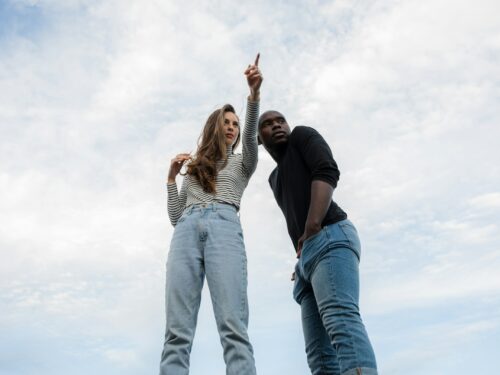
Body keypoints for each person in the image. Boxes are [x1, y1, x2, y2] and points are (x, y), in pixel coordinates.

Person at [159, 55, 263, 375]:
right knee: (177, 330)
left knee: (232, 325)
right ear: (215, 127)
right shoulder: (194, 169)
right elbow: (177, 216)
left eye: (235, 123)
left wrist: (253, 96)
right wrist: (170, 179)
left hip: (224, 228)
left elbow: (249, 136)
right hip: (186, 230)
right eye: (226, 123)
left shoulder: (243, 162)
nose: (232, 128)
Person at [257, 111, 378, 375]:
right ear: (258, 138)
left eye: (280, 120)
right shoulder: (274, 178)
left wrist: (312, 226)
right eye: (267, 124)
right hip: (307, 260)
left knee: (341, 322)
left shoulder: (302, 135)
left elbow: (326, 169)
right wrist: (302, 256)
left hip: (330, 236)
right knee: (320, 357)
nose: (277, 125)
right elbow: (294, 215)